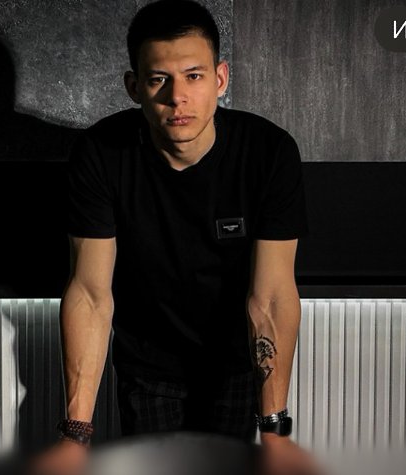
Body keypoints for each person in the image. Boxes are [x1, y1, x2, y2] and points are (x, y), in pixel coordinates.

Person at [32, 1, 322, 474]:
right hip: (147, 363)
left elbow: (270, 296)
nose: (177, 97)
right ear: (134, 87)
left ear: (220, 78)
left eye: (194, 76)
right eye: (158, 80)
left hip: (233, 362)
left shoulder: (268, 152)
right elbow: (90, 293)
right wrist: (75, 435)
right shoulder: (101, 153)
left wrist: (275, 430)